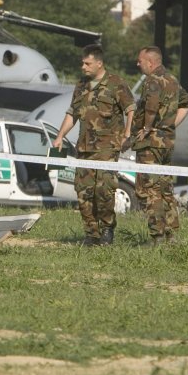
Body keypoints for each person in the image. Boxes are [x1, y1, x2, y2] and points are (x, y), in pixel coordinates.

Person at [54, 44, 134, 246]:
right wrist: (60, 135)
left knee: (104, 191)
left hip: (107, 148)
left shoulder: (116, 83)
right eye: (82, 62)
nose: (83, 66)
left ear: (99, 63)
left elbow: (131, 109)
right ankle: (91, 233)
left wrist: (127, 134)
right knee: (83, 192)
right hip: (84, 149)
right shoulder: (81, 85)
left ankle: (107, 230)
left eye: (87, 63)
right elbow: (72, 113)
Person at [132, 46, 188, 245]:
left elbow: (150, 108)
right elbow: (186, 103)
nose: (138, 64)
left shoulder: (152, 80)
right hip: (166, 142)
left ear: (150, 62)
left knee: (149, 189)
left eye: (140, 61)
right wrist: (169, 125)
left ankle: (156, 236)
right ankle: (171, 235)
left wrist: (148, 128)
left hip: (150, 144)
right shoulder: (172, 80)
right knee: (165, 187)